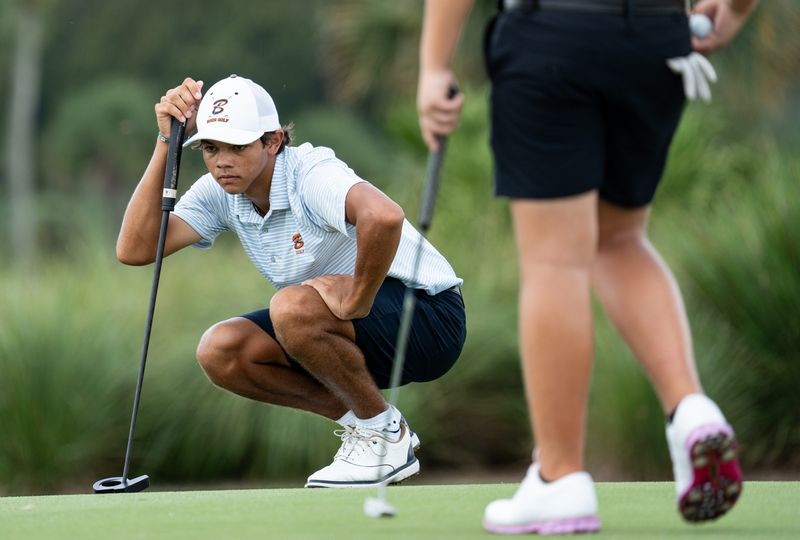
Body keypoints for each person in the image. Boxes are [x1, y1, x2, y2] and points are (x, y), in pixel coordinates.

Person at [417, 0, 756, 534]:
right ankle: (690, 409)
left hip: (552, 32)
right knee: (620, 240)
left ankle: (559, 477)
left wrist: (435, 65)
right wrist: (737, 6)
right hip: (656, 36)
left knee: (556, 261)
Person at [117, 74, 466, 488]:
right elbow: (136, 248)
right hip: (349, 335)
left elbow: (383, 216)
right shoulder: (220, 191)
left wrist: (357, 296)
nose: (221, 161)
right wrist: (166, 144)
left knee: (290, 307)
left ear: (273, 141)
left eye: (237, 146)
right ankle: (377, 427)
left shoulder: (309, 174)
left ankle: (381, 434)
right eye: (210, 148)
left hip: (430, 318)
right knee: (222, 351)